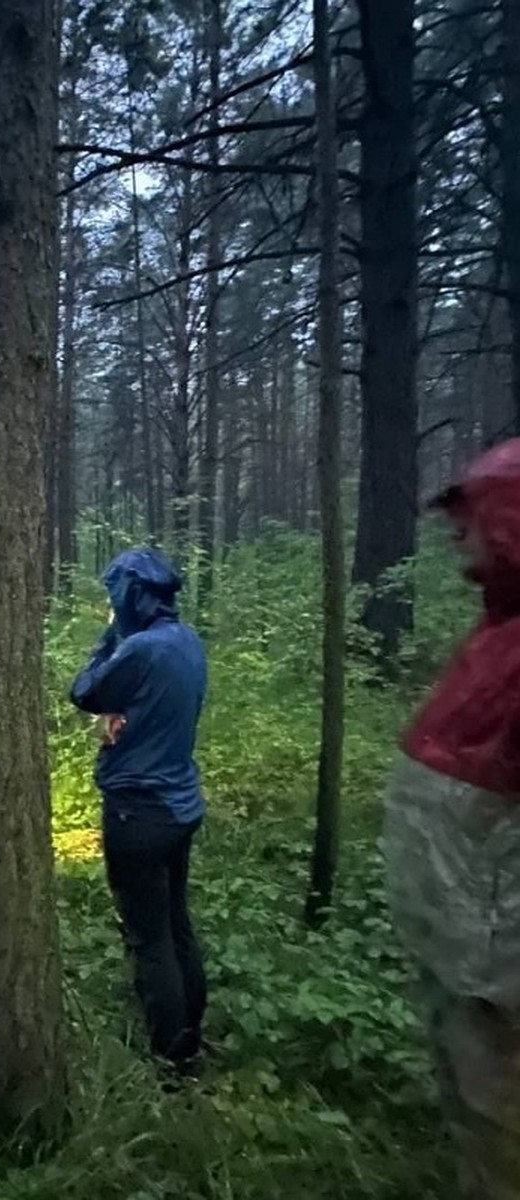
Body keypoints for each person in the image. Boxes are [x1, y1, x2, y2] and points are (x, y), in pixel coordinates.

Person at [384, 439, 520, 1199]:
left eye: (474, 511)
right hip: (469, 951)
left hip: (502, 963)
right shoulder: (497, 632)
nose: (454, 529)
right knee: (480, 1118)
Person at [69, 548, 208, 1072]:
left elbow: (83, 691)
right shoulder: (187, 642)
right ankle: (192, 1024)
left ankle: (174, 1055)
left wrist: (109, 637)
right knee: (176, 924)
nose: (112, 604)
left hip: (138, 812)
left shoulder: (141, 649)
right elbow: (153, 704)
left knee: (149, 937)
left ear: (130, 596)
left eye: (114, 596)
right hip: (180, 806)